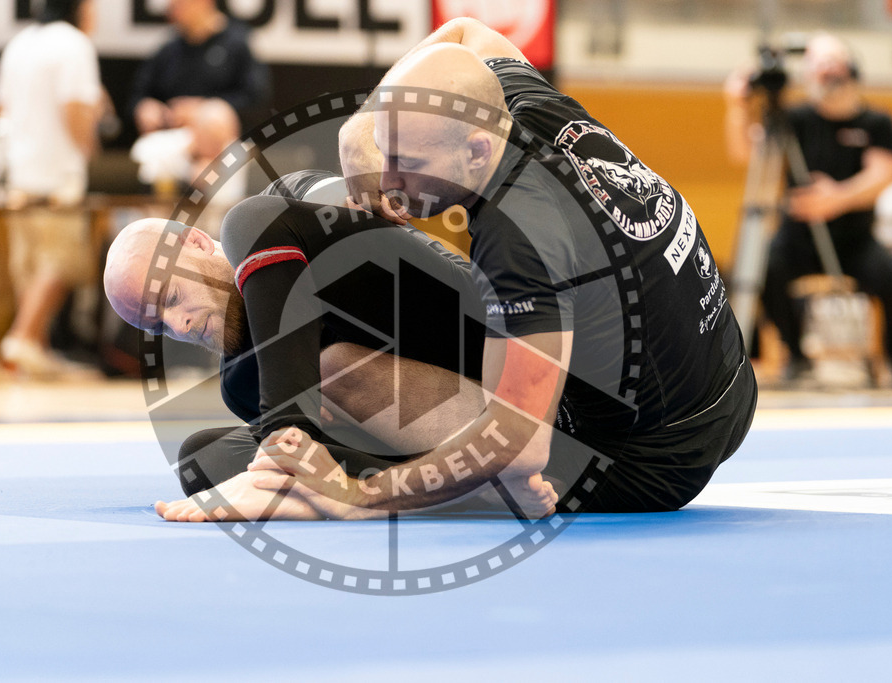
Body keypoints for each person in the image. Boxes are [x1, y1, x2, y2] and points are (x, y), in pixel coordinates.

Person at [244, 18, 756, 518]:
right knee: (305, 237)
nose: (389, 179)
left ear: (476, 150)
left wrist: (361, 496)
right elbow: (465, 30)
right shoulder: (523, 105)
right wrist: (359, 128)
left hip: (655, 458)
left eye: (409, 163)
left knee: (342, 377)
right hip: (726, 378)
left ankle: (469, 487)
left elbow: (515, 444)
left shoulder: (520, 239)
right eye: (385, 151)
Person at [104, 169, 531, 521]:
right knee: (201, 458)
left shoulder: (285, 202)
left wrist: (362, 171)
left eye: (171, 299)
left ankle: (287, 452)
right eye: (159, 328)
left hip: (483, 332)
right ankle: (463, 488)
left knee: (251, 222)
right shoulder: (242, 382)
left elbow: (356, 203)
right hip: (460, 430)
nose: (180, 325)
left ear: (196, 242)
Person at [724, 33, 892, 387]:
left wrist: (837, 197)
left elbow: (884, 172)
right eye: (816, 64)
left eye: (831, 61)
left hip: (855, 239)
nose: (824, 70)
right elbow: (745, 154)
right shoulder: (794, 119)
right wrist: (736, 106)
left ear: (851, 67)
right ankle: (796, 356)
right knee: (765, 268)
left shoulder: (876, 122)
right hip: (799, 237)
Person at [0, 0, 103, 378]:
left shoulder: (19, 43)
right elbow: (75, 108)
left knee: (29, 266)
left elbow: (0, 110)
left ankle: (35, 349)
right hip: (59, 174)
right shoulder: (75, 45)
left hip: (18, 173)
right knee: (61, 262)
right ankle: (22, 337)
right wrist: (89, 152)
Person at [128, 0, 270, 187]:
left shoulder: (238, 43)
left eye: (180, 3)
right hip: (175, 141)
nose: (173, 9)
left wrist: (200, 109)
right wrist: (145, 107)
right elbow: (139, 96)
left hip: (223, 142)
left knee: (214, 116)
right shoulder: (169, 50)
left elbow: (256, 99)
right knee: (149, 154)